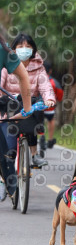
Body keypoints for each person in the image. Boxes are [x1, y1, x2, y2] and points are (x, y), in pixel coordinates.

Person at [0, 33, 55, 168]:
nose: (24, 49)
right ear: (14, 48)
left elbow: (45, 85)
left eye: (28, 46)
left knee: (33, 112)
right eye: (20, 46)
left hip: (29, 104)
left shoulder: (39, 67)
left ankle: (34, 154)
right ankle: (6, 171)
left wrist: (49, 99)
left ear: (33, 49)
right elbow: (1, 83)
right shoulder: (8, 63)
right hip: (9, 105)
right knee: (10, 145)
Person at [0, 34, 31, 201]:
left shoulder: (3, 50)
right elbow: (23, 76)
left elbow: (23, 77)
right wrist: (26, 110)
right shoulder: (3, 49)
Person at [39, 62, 64, 151]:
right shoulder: (54, 82)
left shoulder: (38, 79)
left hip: (38, 106)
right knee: (51, 120)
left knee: (40, 121)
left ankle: (41, 136)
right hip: (50, 107)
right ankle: (50, 139)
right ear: (50, 71)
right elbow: (60, 94)